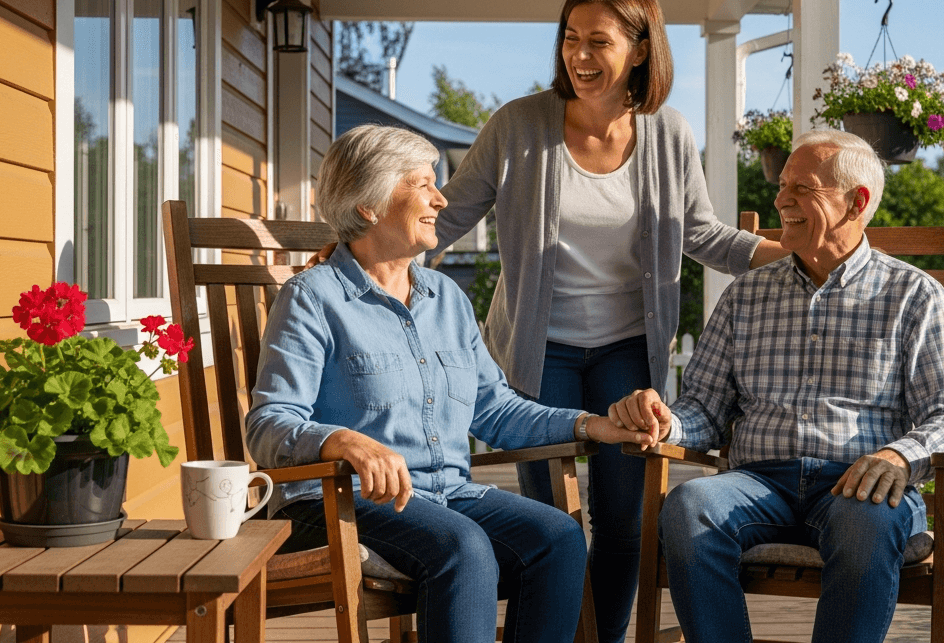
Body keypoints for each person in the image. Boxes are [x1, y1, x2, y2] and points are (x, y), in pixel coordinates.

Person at [427, 0, 789, 642]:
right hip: (539, 351)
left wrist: (795, 252)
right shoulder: (518, 126)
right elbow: (445, 217)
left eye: (599, 41)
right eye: (570, 39)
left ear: (641, 50)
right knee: (558, 521)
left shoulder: (668, 135)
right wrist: (365, 253)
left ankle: (602, 636)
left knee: (623, 517)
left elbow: (702, 233)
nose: (580, 56)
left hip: (628, 348)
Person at [245, 125, 656, 643]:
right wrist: (343, 441)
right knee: (463, 547)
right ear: (369, 204)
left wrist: (594, 424)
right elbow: (267, 424)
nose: (441, 198)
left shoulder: (446, 297)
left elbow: (496, 409)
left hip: (446, 494)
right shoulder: (313, 298)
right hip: (338, 502)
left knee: (558, 537)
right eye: (422, 184)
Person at [608, 130, 944, 643]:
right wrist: (664, 420)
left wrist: (899, 457)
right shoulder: (746, 295)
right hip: (759, 483)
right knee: (690, 505)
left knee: (865, 519)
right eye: (781, 185)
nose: (780, 200)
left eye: (801, 188)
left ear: (857, 202)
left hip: (858, 487)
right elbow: (703, 407)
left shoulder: (913, 295)